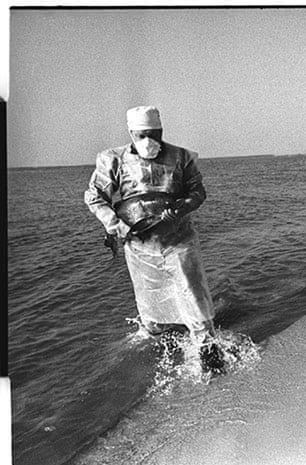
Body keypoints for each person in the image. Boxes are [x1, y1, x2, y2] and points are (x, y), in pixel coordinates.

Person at [84, 105, 222, 371]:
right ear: (131, 133)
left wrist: (182, 207)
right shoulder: (112, 159)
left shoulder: (183, 157)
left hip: (178, 240)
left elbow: (198, 192)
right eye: (142, 135)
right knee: (149, 297)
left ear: (161, 130)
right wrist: (115, 225)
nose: (149, 140)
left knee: (193, 291)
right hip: (138, 245)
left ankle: (206, 348)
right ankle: (160, 343)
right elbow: (94, 197)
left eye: (154, 134)